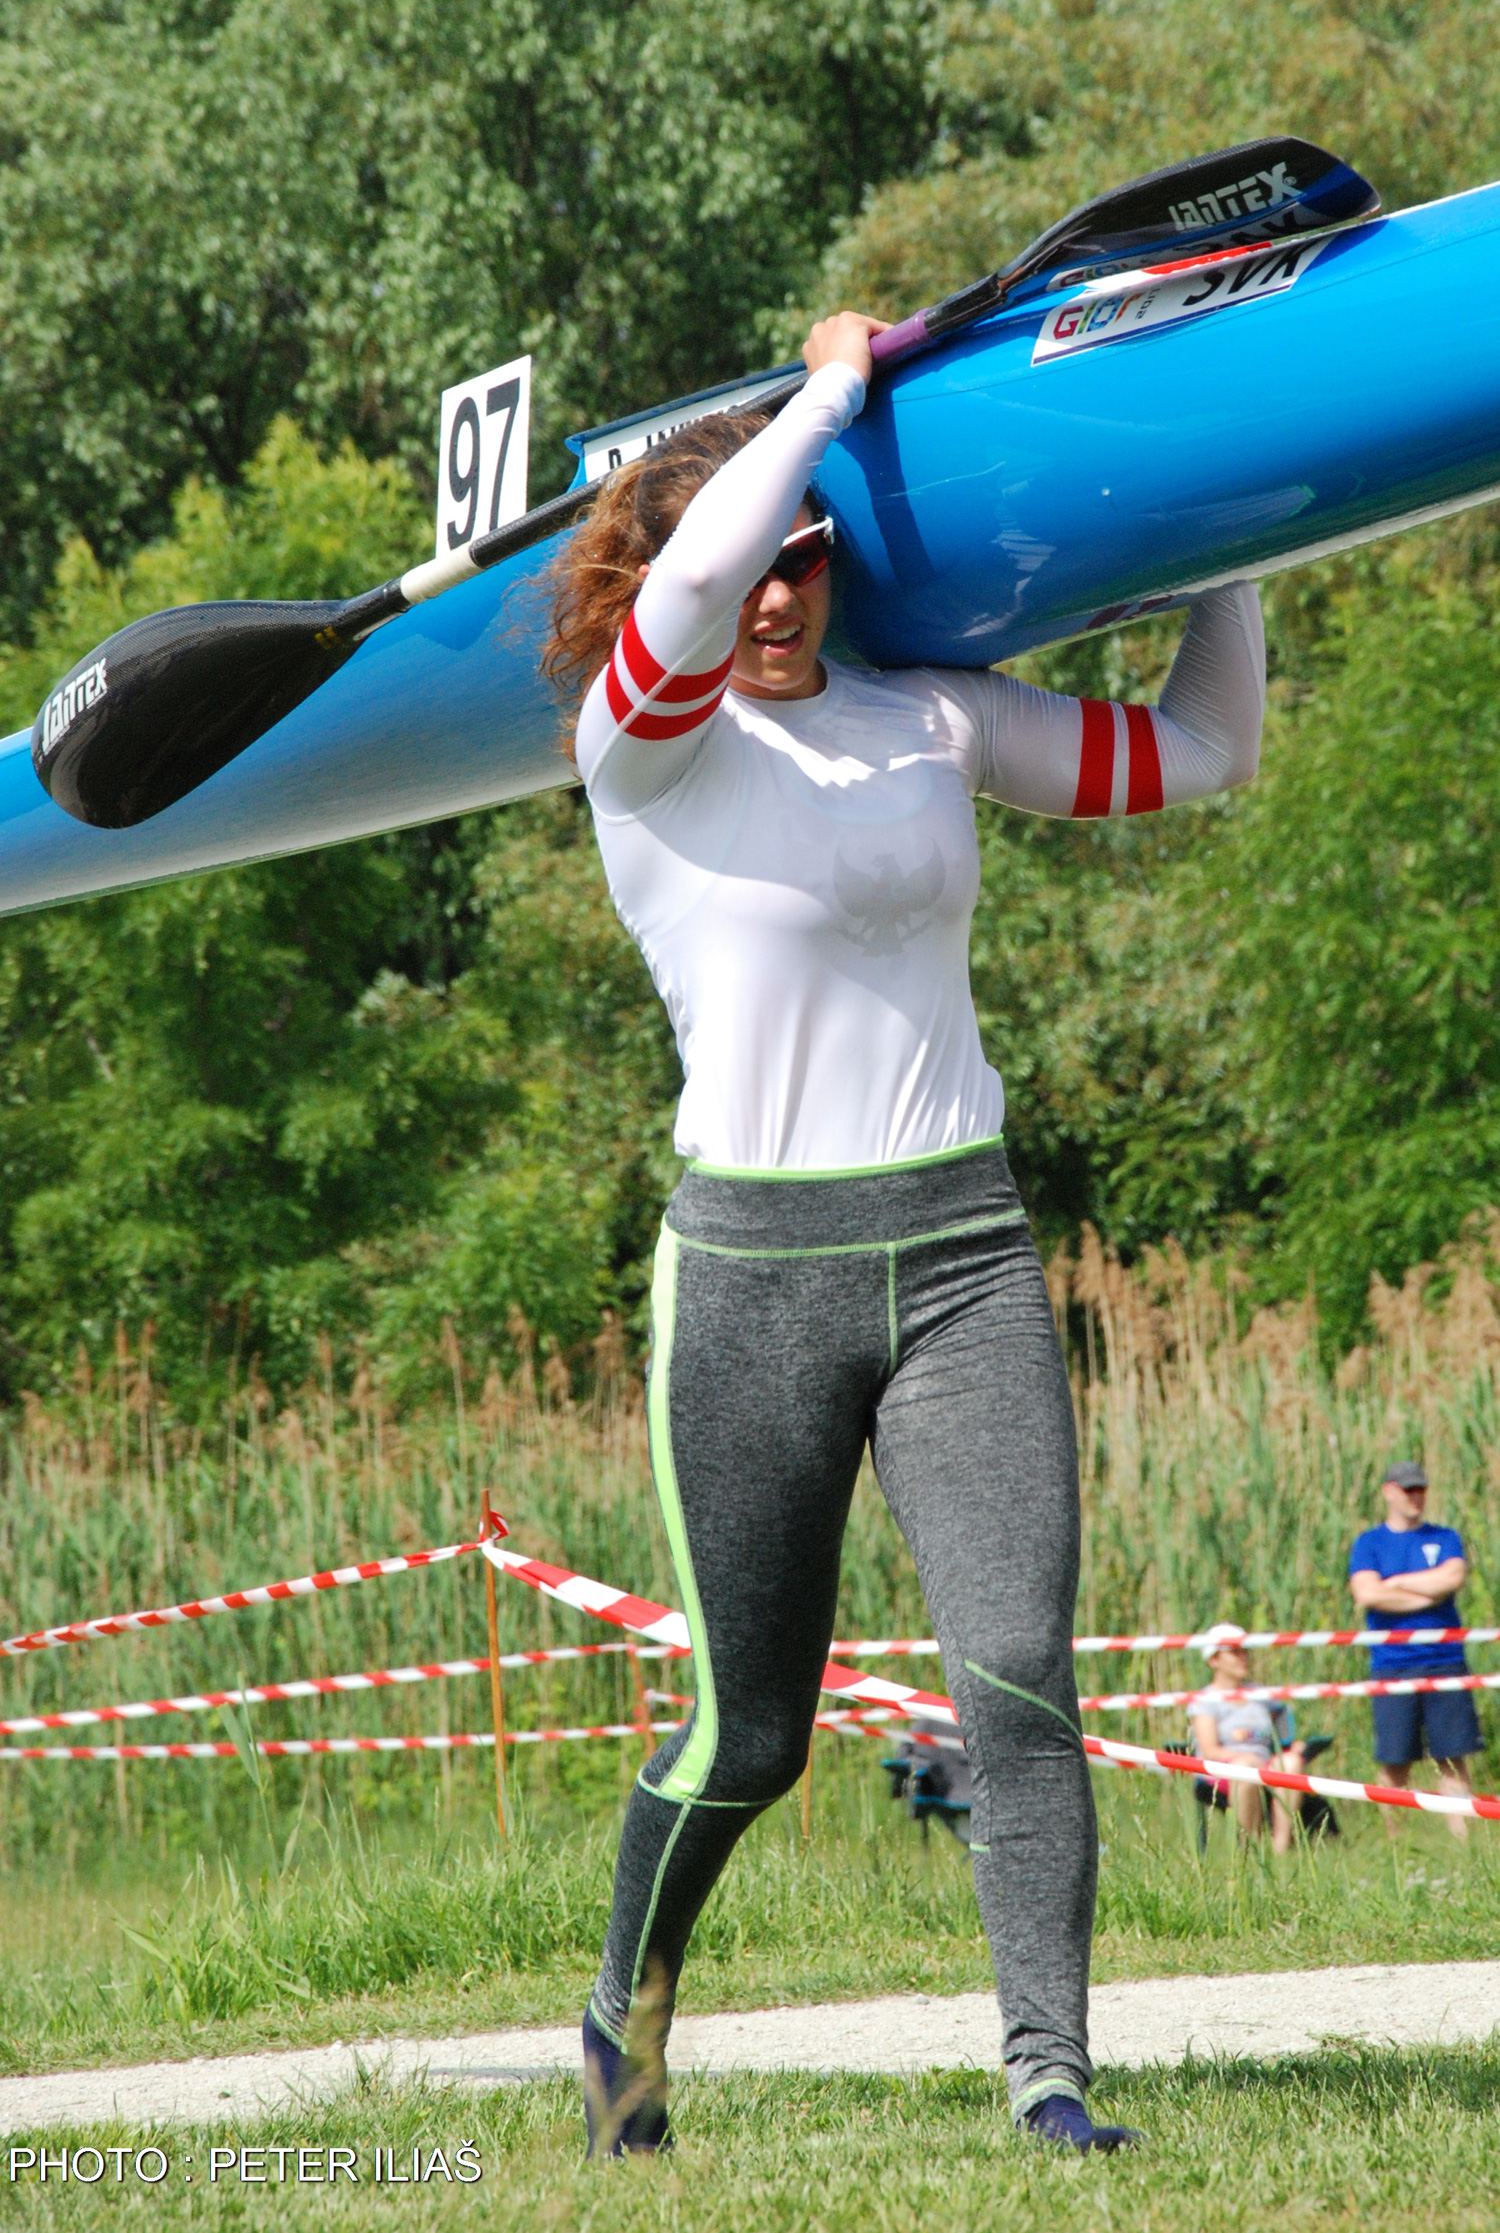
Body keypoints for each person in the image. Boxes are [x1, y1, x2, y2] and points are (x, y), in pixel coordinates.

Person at [543, 310, 1264, 2158]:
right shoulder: (640, 751)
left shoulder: (927, 716)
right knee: (753, 1737)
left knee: (1019, 1674)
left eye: (809, 558)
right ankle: (623, 2024)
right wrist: (828, 394)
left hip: (962, 1254)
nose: (778, 591)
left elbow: (1208, 748)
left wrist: (1238, 525)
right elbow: (694, 566)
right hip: (754, 1280)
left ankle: (1051, 2081)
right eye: (755, 566)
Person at [1349, 1461, 1482, 1840]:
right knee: (1395, 1761)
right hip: (1393, 1664)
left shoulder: (1445, 1537)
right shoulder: (1369, 1543)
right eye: (1408, 1489)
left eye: (1421, 1488)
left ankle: (1463, 1845)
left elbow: (1452, 1577)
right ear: (1388, 1491)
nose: (1417, 1496)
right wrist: (1427, 1591)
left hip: (1445, 1660)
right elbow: (1368, 1593)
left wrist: (1398, 1584)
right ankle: (1396, 1846)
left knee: (1453, 1759)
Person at [1189, 1622, 1306, 1850]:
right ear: (1214, 1660)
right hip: (1224, 1768)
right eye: (1234, 1652)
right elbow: (1210, 1750)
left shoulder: (1260, 1694)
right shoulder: (1205, 1700)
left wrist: (1292, 1745)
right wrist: (1248, 1759)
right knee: (1245, 1768)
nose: (1243, 1657)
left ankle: (1281, 1847)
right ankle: (1248, 1849)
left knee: (1291, 1763)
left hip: (1264, 1762)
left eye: (1245, 1651)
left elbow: (1283, 1723)